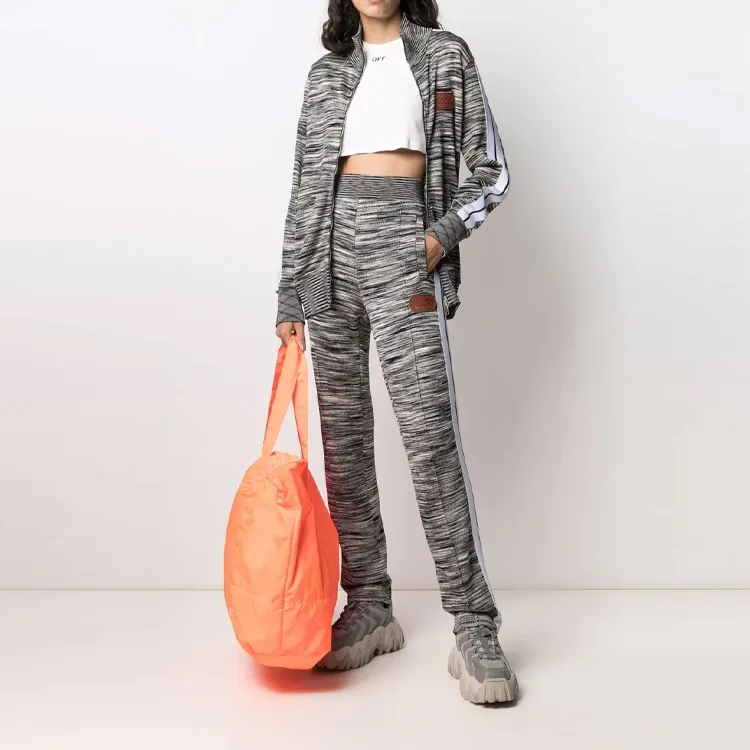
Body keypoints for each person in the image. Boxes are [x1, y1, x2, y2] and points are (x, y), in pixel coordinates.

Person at [274, 0, 515, 704]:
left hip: (406, 250)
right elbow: (305, 190)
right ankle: (371, 606)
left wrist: (438, 238)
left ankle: (473, 622)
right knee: (345, 445)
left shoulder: (445, 56)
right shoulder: (325, 75)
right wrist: (291, 292)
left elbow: (491, 171)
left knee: (429, 437)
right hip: (329, 265)